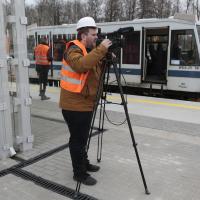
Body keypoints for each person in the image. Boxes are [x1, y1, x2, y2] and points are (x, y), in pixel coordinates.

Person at [59, 16, 112, 186]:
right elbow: (81, 66)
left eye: (97, 34)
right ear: (83, 35)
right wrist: (101, 50)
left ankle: (84, 164)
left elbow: (93, 72)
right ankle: (79, 174)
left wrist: (106, 57)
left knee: (82, 138)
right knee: (78, 140)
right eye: (93, 34)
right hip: (74, 105)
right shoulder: (73, 50)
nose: (97, 37)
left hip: (85, 103)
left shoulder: (89, 50)